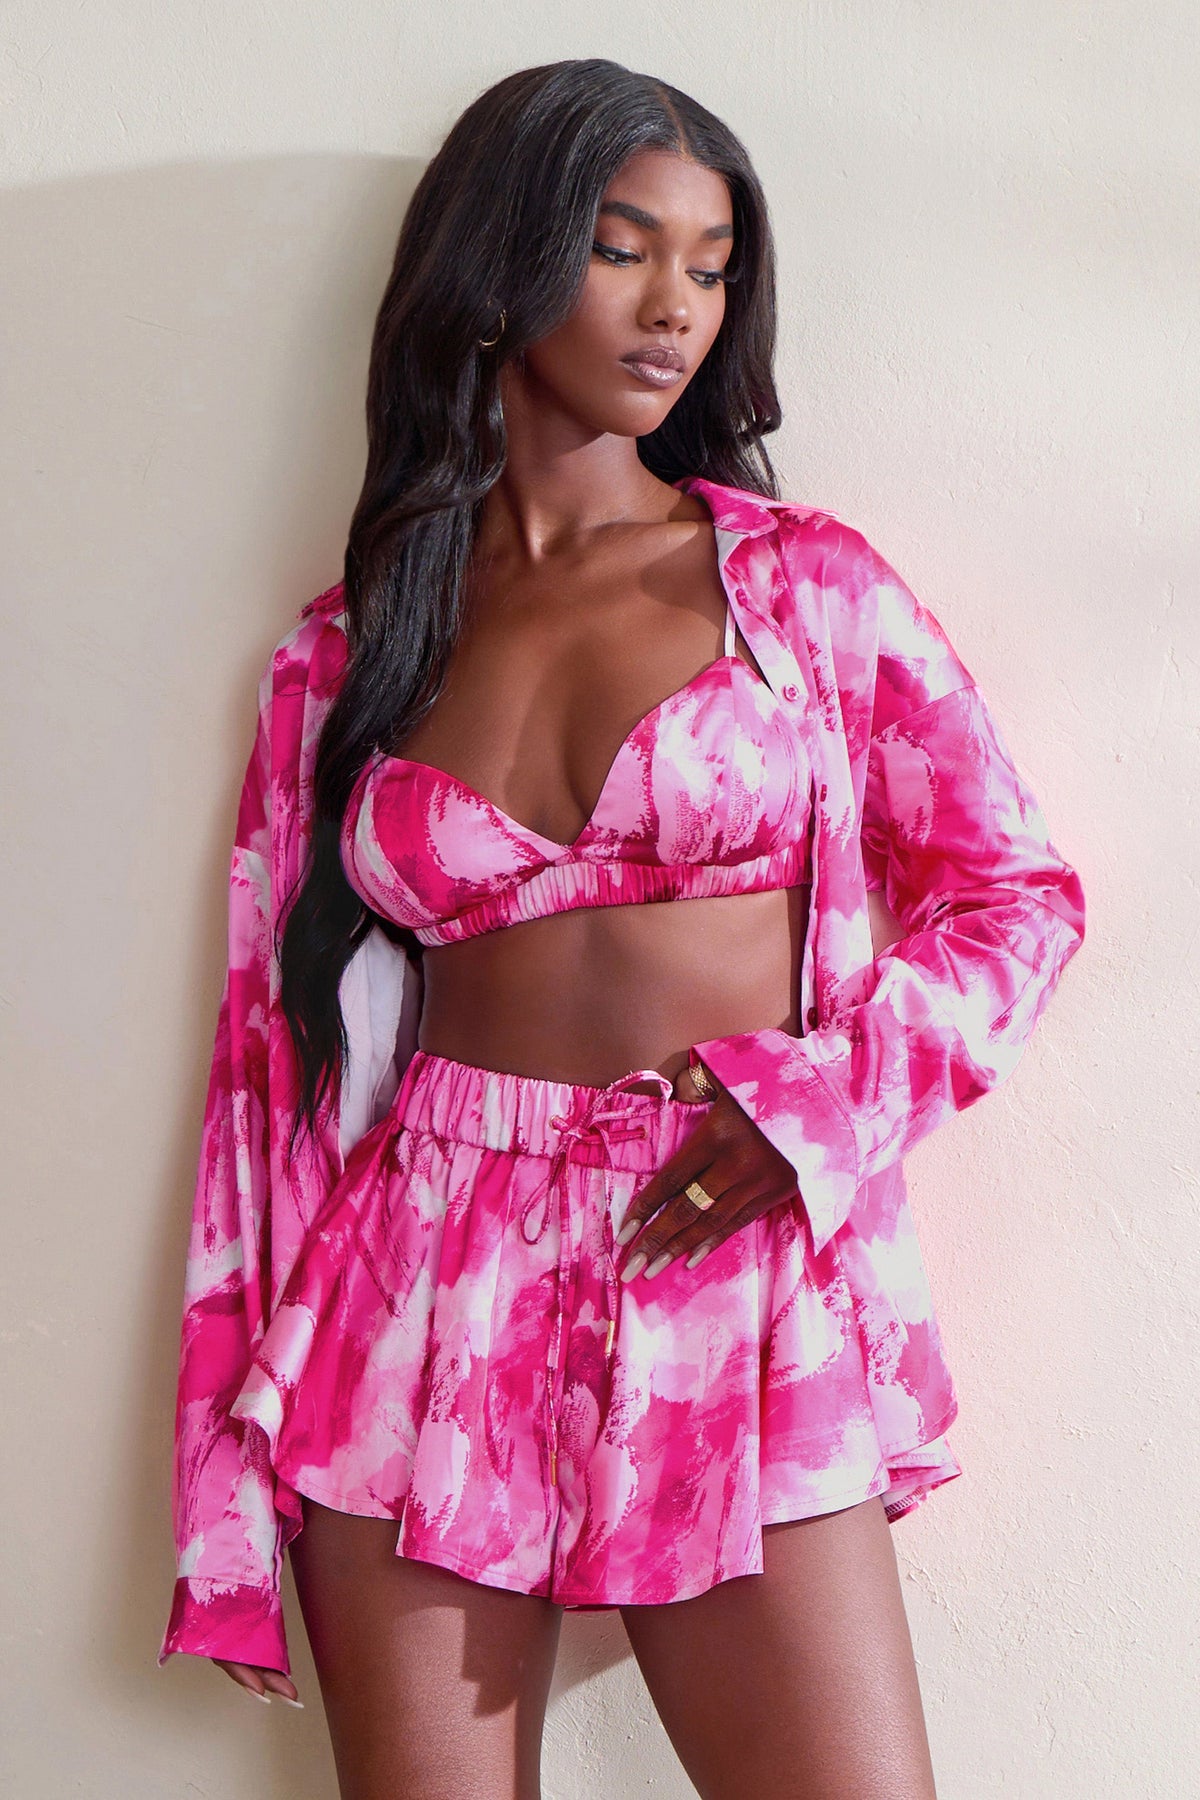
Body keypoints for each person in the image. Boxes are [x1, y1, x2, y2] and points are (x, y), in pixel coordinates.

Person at [156, 58, 1085, 1800]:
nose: (676, 307)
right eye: (623, 247)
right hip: (419, 1277)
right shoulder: (348, 654)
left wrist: (816, 1106)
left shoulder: (802, 592)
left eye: (712, 266)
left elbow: (1016, 896)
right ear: (499, 262)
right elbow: (263, 1068)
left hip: (721, 1245)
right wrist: (223, 1454)